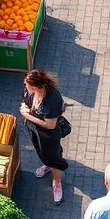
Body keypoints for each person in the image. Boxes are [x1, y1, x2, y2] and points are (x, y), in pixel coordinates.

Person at [19, 70, 69, 206]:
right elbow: (25, 101)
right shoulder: (30, 90)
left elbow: (50, 125)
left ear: (39, 87)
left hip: (49, 134)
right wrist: (24, 107)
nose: (27, 89)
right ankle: (47, 165)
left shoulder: (52, 99)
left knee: (54, 158)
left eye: (30, 87)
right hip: (36, 131)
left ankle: (57, 183)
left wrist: (27, 116)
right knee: (44, 153)